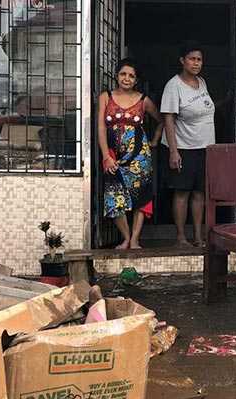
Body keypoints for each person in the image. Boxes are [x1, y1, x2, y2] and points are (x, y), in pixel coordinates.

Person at [98, 58, 163, 249]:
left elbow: (161, 120)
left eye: (131, 76)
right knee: (114, 195)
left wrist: (154, 141)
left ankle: (135, 239)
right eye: (123, 74)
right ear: (117, 76)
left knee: (141, 196)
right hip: (113, 156)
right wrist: (105, 156)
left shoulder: (143, 100)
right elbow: (101, 127)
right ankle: (125, 237)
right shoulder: (105, 97)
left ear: (136, 80)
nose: (126, 78)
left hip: (139, 157)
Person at [160, 42, 215, 247]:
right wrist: (174, 152)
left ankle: (199, 237)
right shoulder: (173, 86)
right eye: (192, 59)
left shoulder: (202, 82)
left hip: (205, 148)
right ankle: (181, 237)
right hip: (183, 148)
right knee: (182, 192)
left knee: (200, 193)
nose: (196, 63)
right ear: (182, 61)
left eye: (199, 59)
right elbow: (168, 119)